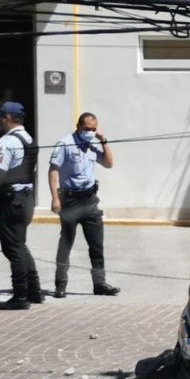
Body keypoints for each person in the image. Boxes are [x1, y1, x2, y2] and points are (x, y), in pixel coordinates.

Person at [0, 101, 43, 310]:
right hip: (26, 199)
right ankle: (34, 291)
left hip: (11, 200)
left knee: (13, 248)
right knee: (20, 245)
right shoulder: (28, 138)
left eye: (0, 118)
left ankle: (21, 296)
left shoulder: (6, 142)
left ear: (7, 118)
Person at [48, 112, 119, 298]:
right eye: (87, 129)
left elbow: (109, 163)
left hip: (90, 201)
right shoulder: (65, 144)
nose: (90, 132)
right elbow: (53, 170)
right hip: (70, 200)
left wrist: (104, 141)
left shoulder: (92, 145)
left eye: (93, 129)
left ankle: (100, 283)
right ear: (78, 126)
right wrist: (55, 198)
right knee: (66, 243)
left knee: (96, 245)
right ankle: (60, 284)